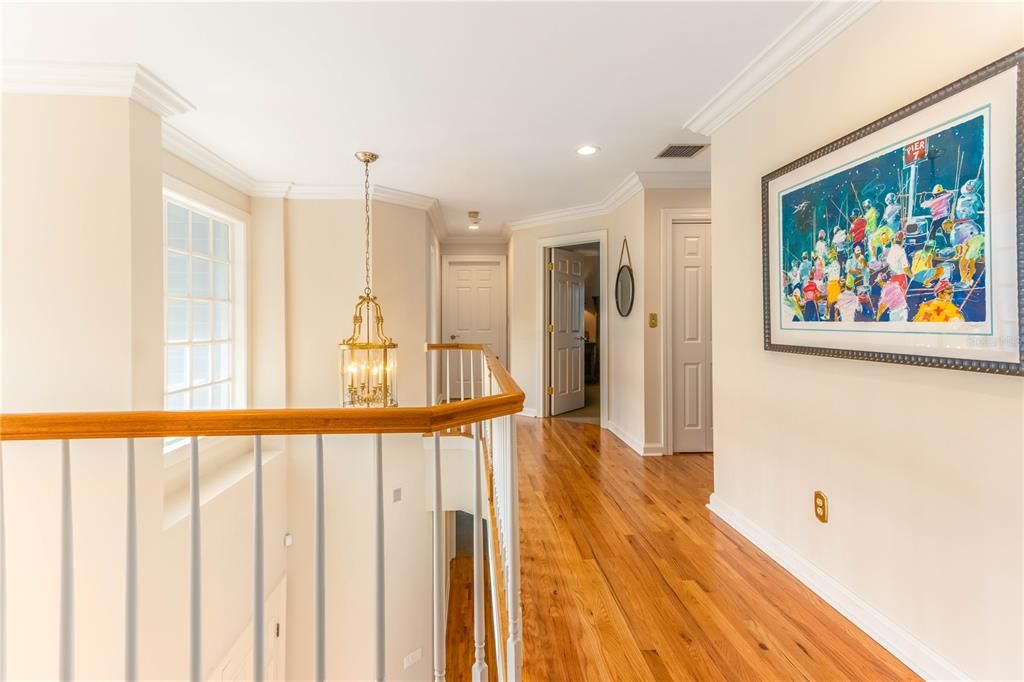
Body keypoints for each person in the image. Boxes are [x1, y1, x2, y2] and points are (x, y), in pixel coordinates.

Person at [825, 251, 842, 320]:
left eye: (829, 257)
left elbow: (825, 272)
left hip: (831, 283)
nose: (829, 259)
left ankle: (826, 314)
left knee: (829, 300)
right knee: (837, 300)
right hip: (837, 283)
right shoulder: (838, 264)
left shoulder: (830, 265)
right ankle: (836, 316)